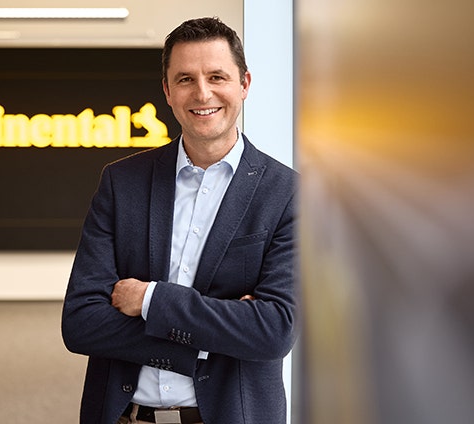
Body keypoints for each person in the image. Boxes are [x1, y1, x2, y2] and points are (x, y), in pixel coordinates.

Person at [62, 16, 297, 424]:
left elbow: (274, 330)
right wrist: (216, 334)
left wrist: (150, 301)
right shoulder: (121, 182)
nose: (202, 93)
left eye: (217, 76)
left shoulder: (287, 193)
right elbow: (81, 323)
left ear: (244, 84)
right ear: (168, 92)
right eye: (186, 79)